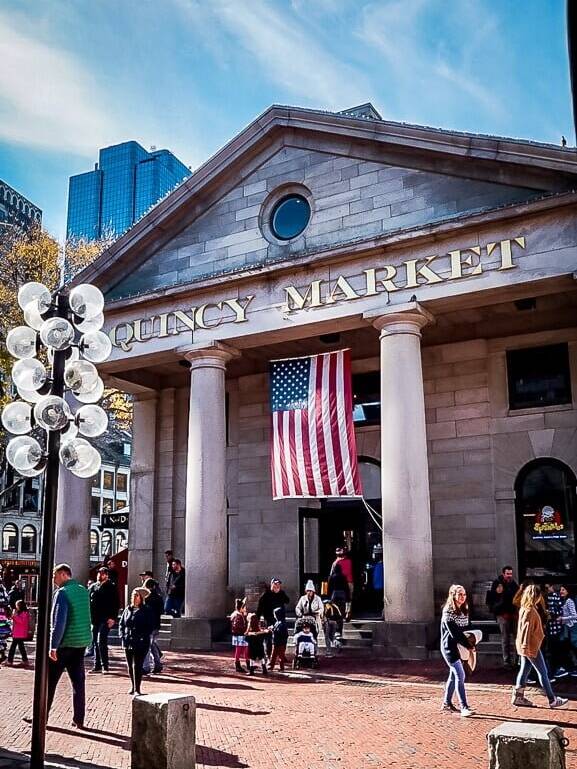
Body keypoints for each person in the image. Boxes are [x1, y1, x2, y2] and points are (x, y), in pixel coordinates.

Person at [47, 564, 92, 729]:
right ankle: (79, 719)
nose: (54, 580)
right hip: (80, 643)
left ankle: (41, 717)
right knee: (78, 683)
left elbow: (59, 622)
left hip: (64, 644)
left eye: (55, 576)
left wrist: (53, 646)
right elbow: (86, 617)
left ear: (63, 574)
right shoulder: (83, 591)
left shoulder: (62, 593)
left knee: (49, 683)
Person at [512, 584, 568, 709]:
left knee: (525, 670)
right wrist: (526, 648)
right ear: (536, 596)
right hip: (531, 647)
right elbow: (526, 631)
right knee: (543, 672)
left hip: (526, 646)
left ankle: (518, 696)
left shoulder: (524, 608)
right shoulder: (530, 611)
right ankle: (552, 699)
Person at [440, 584, 476, 717]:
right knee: (460, 675)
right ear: (453, 595)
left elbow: (468, 628)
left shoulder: (464, 609)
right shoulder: (448, 612)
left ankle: (446, 703)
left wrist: (473, 641)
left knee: (453, 675)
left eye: (464, 594)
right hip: (450, 648)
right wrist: (469, 645)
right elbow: (455, 634)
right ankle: (464, 707)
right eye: (460, 594)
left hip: (460, 647)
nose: (463, 597)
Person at [119, 588, 154, 696]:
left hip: (140, 642)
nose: (134, 598)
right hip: (128, 641)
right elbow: (122, 624)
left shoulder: (146, 610)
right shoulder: (127, 609)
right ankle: (133, 686)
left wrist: (142, 636)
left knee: (137, 665)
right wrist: (122, 635)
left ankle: (137, 689)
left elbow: (150, 626)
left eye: (136, 596)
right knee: (130, 665)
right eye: (133, 595)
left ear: (141, 598)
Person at [88, 567, 119, 674]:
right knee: (95, 642)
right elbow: (88, 602)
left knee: (101, 641)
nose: (99, 575)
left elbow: (116, 604)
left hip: (105, 619)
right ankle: (97, 666)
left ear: (106, 575)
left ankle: (104, 665)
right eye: (98, 573)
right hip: (95, 619)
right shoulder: (93, 587)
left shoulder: (111, 587)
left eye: (102, 574)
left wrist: (113, 618)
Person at [487, 565, 519, 668]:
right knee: (505, 637)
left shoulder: (513, 584)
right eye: (507, 574)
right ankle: (506, 661)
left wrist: (515, 612)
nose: (509, 576)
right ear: (503, 574)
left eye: (510, 573)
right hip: (502, 614)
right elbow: (492, 599)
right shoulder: (497, 583)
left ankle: (517, 660)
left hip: (513, 614)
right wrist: (500, 612)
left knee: (516, 637)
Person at [256, 578, 290, 655]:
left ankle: (282, 654)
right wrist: (257, 618)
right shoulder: (266, 595)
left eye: (278, 585)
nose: (277, 586)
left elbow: (287, 601)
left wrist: (280, 593)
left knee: (283, 636)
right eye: (275, 584)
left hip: (280, 619)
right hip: (269, 619)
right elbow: (259, 608)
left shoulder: (281, 593)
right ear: (272, 585)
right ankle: (268, 654)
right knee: (269, 637)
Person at [543, 584, 566, 680]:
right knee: (555, 650)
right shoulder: (555, 597)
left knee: (550, 651)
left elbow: (557, 611)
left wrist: (550, 614)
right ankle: (557, 669)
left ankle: (552, 672)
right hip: (557, 627)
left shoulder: (550, 597)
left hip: (550, 627)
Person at [142, 578, 164, 675]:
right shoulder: (159, 597)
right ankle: (158, 664)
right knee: (152, 645)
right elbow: (161, 611)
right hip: (156, 624)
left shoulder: (146, 598)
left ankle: (146, 667)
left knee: (147, 646)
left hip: (148, 625)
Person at [331, 547, 354, 620]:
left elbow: (331, 573)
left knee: (337, 599)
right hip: (349, 581)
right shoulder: (349, 561)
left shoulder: (336, 562)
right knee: (348, 598)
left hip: (340, 583)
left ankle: (339, 613)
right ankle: (347, 612)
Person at [559, 585, 577, 675]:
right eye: (560, 590)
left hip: (572, 627)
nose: (561, 591)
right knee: (567, 647)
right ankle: (568, 667)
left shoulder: (569, 601)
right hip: (567, 628)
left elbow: (574, 615)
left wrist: (562, 618)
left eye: (563, 590)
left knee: (573, 647)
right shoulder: (565, 600)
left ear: (568, 591)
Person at [6, 600, 30, 667]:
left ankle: (10, 661)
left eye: (17, 605)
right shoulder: (19, 613)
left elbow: (21, 621)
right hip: (17, 633)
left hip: (20, 633)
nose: (16, 607)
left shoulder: (24, 613)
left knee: (13, 647)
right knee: (21, 647)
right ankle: (25, 660)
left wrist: (14, 616)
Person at [230, 598, 249, 673]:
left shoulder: (238, 614)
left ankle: (247, 663)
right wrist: (245, 629)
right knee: (240, 650)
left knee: (245, 648)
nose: (245, 609)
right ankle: (238, 665)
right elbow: (237, 626)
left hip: (240, 635)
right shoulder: (238, 616)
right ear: (241, 608)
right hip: (240, 635)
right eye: (244, 607)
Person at [269, 607, 289, 671]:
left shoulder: (283, 623)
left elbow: (282, 633)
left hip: (281, 642)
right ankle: (271, 666)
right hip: (276, 642)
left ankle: (281, 667)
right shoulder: (277, 622)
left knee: (281, 656)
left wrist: (273, 630)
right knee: (273, 655)